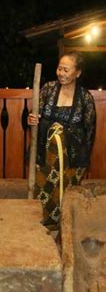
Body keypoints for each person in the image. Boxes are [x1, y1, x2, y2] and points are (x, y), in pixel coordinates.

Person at [28, 52, 96, 225]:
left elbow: (89, 131)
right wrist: (32, 120)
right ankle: (42, 227)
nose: (61, 73)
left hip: (71, 157)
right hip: (46, 154)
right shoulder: (48, 89)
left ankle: (65, 229)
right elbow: (36, 118)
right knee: (44, 194)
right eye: (59, 68)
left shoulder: (85, 98)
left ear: (77, 73)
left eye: (66, 70)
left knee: (66, 197)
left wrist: (82, 160)